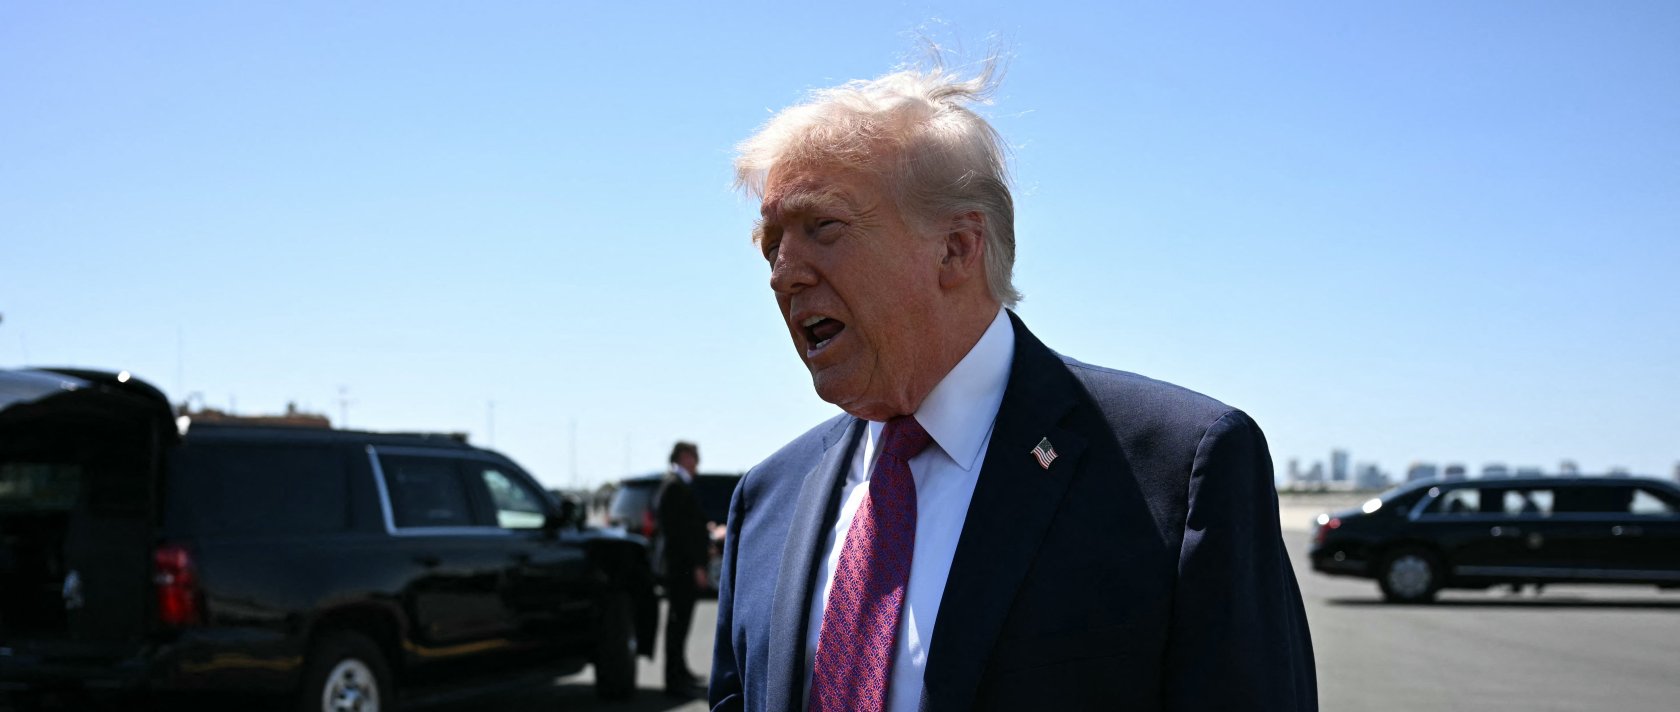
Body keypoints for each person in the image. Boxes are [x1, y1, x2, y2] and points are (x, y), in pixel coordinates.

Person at [709, 59, 1316, 712]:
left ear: (958, 248)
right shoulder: (766, 500)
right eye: (770, 244)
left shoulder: (1179, 467)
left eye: (821, 227)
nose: (783, 273)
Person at [657, 440, 710, 697]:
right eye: (689, 456)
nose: (694, 461)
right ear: (679, 458)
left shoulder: (682, 485)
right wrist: (697, 565)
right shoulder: (673, 487)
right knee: (677, 624)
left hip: (684, 566)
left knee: (683, 622)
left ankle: (681, 671)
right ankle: (674, 680)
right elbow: (679, 534)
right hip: (681, 568)